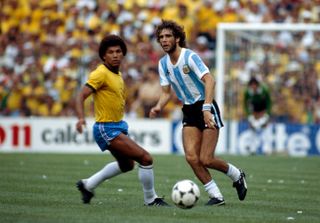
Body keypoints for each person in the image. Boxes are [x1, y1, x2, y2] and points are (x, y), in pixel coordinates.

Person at [150, 20, 247, 206]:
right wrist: (158, 106)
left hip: (206, 106)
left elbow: (210, 80)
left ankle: (237, 175)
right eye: (161, 37)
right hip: (188, 110)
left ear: (177, 38)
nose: (164, 40)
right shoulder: (163, 64)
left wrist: (206, 108)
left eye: (168, 36)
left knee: (206, 158)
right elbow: (165, 92)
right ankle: (216, 196)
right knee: (191, 158)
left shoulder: (190, 57)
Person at [75, 34, 168, 206]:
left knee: (127, 165)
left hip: (117, 126)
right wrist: (81, 118)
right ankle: (151, 199)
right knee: (146, 159)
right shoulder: (100, 73)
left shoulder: (117, 75)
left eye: (118, 51)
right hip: (106, 128)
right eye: (111, 52)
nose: (115, 55)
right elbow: (81, 95)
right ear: (103, 56)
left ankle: (88, 185)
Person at [243, 76, 272, 154]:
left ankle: (267, 149)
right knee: (252, 129)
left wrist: (267, 114)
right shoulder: (247, 92)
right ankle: (252, 149)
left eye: (255, 85)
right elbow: (245, 105)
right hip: (254, 113)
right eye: (251, 85)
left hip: (263, 112)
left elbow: (269, 103)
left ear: (257, 85)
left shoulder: (264, 90)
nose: (253, 87)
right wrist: (249, 116)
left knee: (265, 129)